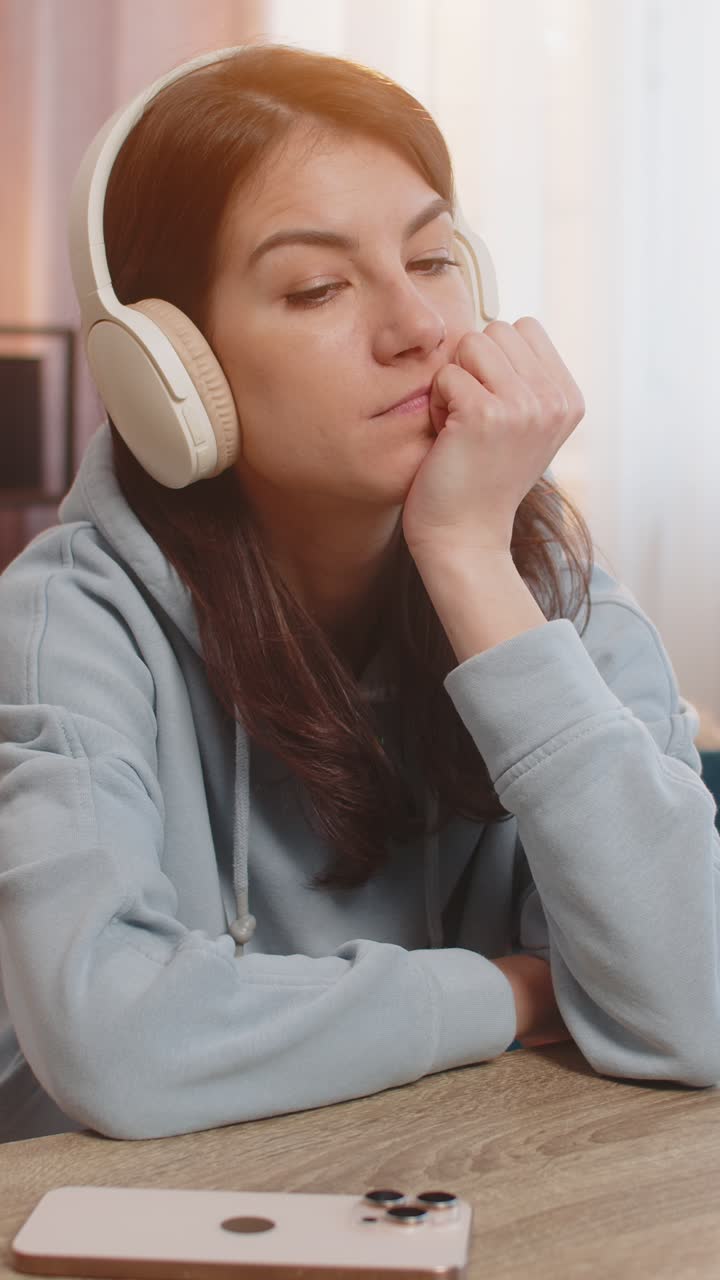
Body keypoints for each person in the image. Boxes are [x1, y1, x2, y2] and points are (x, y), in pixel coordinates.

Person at [1, 43, 718, 1146]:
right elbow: (119, 1043)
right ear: (170, 365)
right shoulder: (66, 623)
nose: (419, 329)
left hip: (479, 1201)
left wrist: (474, 566)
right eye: (318, 286)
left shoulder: (542, 589)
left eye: (432, 260)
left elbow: (701, 1003)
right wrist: (513, 991)